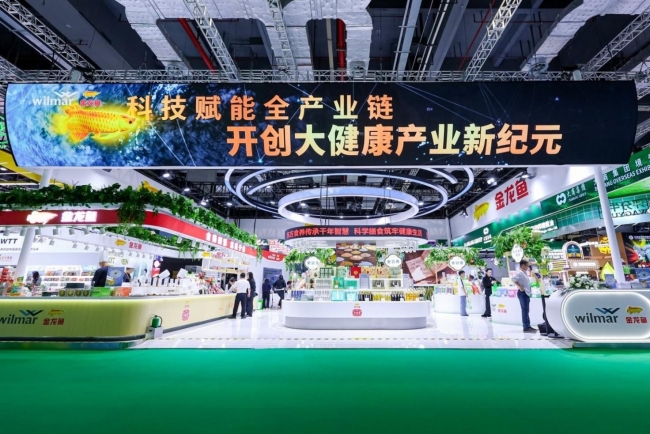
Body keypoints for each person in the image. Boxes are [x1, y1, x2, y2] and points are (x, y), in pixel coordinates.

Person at [511, 260, 537, 333]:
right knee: (525, 311)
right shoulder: (519, 272)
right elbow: (513, 279)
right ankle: (526, 327)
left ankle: (528, 326)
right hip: (523, 293)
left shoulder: (524, 272)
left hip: (526, 293)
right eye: (527, 265)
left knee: (526, 311)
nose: (528, 267)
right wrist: (520, 286)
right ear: (523, 265)